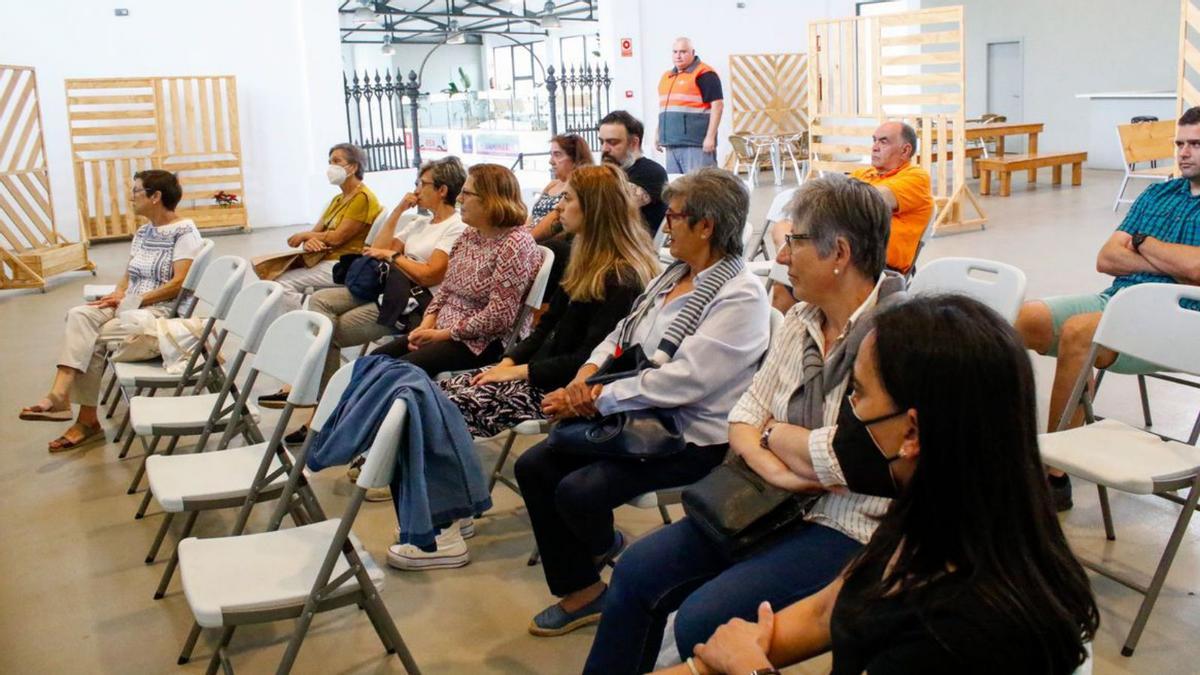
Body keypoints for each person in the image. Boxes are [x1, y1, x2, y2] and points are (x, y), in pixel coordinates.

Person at [656, 295, 1099, 675]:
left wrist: (748, 668)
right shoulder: (937, 514)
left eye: (859, 394)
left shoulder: (965, 628)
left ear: (912, 433)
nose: (848, 410)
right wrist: (720, 658)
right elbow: (828, 607)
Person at [585, 174, 903, 675]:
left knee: (701, 621)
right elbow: (748, 412)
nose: (780, 257)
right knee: (637, 572)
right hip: (767, 496)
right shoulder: (802, 318)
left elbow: (846, 457)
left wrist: (775, 435)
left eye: (793, 242)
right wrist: (775, 460)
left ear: (838, 253)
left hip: (850, 522)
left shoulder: (899, 336)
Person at [513, 168, 770, 638]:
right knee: (534, 467)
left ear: (705, 226)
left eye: (672, 216)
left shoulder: (741, 295)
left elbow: (685, 382)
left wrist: (599, 397)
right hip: (635, 414)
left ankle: (599, 552)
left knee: (578, 491)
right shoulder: (672, 275)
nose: (663, 224)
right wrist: (587, 376)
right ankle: (587, 589)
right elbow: (621, 335)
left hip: (689, 438)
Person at [387, 164, 661, 570]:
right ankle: (452, 512)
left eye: (567, 198)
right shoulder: (581, 257)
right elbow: (545, 329)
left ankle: (443, 533)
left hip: (565, 388)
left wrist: (517, 372)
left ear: (593, 209)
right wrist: (510, 361)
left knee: (440, 407)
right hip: (538, 373)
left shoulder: (621, 277)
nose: (557, 206)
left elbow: (589, 361)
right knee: (433, 397)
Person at [1015, 106, 1200, 511]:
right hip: (1117, 299)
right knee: (1018, 320)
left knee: (1082, 333)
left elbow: (1197, 271)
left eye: (1196, 144)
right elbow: (1106, 259)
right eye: (1181, 143)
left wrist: (1144, 244)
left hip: (1179, 325)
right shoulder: (1157, 193)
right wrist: (1173, 262)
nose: (1185, 153)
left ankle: (1051, 476)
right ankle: (1014, 443)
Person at [263, 158, 467, 443]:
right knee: (321, 305)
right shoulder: (421, 221)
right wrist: (398, 211)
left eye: (422, 184)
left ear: (442, 190)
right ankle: (323, 400)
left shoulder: (455, 227)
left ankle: (323, 413)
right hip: (390, 287)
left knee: (327, 335)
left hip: (412, 302)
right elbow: (378, 248)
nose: (417, 189)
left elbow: (430, 275)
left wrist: (395, 258)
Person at [20, 170, 203, 452]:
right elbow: (130, 274)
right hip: (130, 305)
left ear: (156, 197)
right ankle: (61, 395)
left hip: (158, 314)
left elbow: (180, 284)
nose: (131, 198)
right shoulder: (143, 231)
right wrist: (117, 295)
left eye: (136, 191)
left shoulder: (185, 232)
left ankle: (80, 415)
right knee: (80, 314)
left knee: (90, 336)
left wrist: (134, 300)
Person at [371, 163, 541, 376]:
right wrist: (426, 325)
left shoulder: (515, 245)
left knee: (395, 373)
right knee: (373, 361)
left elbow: (498, 318)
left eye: (467, 193)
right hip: (443, 329)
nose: (459, 198)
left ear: (490, 200)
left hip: (482, 342)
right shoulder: (471, 234)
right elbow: (446, 289)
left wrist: (442, 334)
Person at [769, 122, 933, 312]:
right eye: (874, 140)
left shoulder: (916, 177)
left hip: (874, 264)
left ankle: (794, 256)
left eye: (884, 141)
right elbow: (834, 201)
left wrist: (826, 198)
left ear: (905, 150)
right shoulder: (863, 174)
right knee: (783, 227)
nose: (875, 147)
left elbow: (870, 199)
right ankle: (793, 256)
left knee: (790, 271)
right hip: (838, 250)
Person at [272, 143, 382, 311]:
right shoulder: (338, 199)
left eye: (336, 161)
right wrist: (309, 241)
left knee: (281, 284)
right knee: (275, 277)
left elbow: (338, 237)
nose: (331, 167)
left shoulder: (363, 198)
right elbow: (315, 233)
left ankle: (304, 325)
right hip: (326, 258)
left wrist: (305, 236)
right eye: (330, 162)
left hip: (343, 263)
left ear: (353, 167)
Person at [656, 37, 724, 174]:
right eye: (675, 52)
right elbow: (664, 109)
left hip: (696, 144)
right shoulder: (667, 77)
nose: (678, 56)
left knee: (700, 187)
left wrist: (710, 137)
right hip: (671, 143)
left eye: (683, 52)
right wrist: (658, 134)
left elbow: (718, 105)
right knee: (677, 188)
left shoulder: (705, 74)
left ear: (693, 52)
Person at [599, 110, 669, 236]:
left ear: (634, 143)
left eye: (612, 142)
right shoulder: (609, 171)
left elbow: (609, 209)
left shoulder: (651, 171)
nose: (604, 149)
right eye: (602, 142)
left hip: (635, 248)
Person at [529, 134, 593, 242]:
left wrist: (523, 242)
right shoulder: (552, 184)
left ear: (575, 159)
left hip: (550, 247)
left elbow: (561, 227)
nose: (551, 161)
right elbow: (532, 216)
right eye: (551, 155)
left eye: (557, 155)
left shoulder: (580, 189)